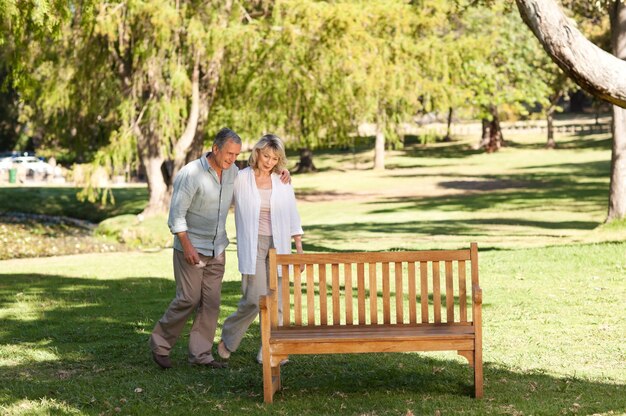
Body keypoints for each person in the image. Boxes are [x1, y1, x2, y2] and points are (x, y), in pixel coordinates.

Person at [149, 128, 290, 369]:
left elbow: (259, 178)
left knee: (211, 303)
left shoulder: (233, 173)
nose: (232, 159)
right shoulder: (191, 174)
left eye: (236, 155)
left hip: (218, 248)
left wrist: (282, 172)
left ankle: (201, 355)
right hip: (191, 247)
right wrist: (187, 245)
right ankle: (160, 344)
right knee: (188, 299)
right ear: (215, 149)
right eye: (229, 154)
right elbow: (176, 216)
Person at [217, 134, 303, 364]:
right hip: (253, 244)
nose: (269, 162)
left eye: (275, 158)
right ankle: (229, 336)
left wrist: (299, 250)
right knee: (255, 298)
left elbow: (292, 214)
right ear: (257, 153)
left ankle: (270, 350)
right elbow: (220, 185)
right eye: (266, 156)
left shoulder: (282, 181)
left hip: (279, 244)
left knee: (279, 300)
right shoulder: (240, 177)